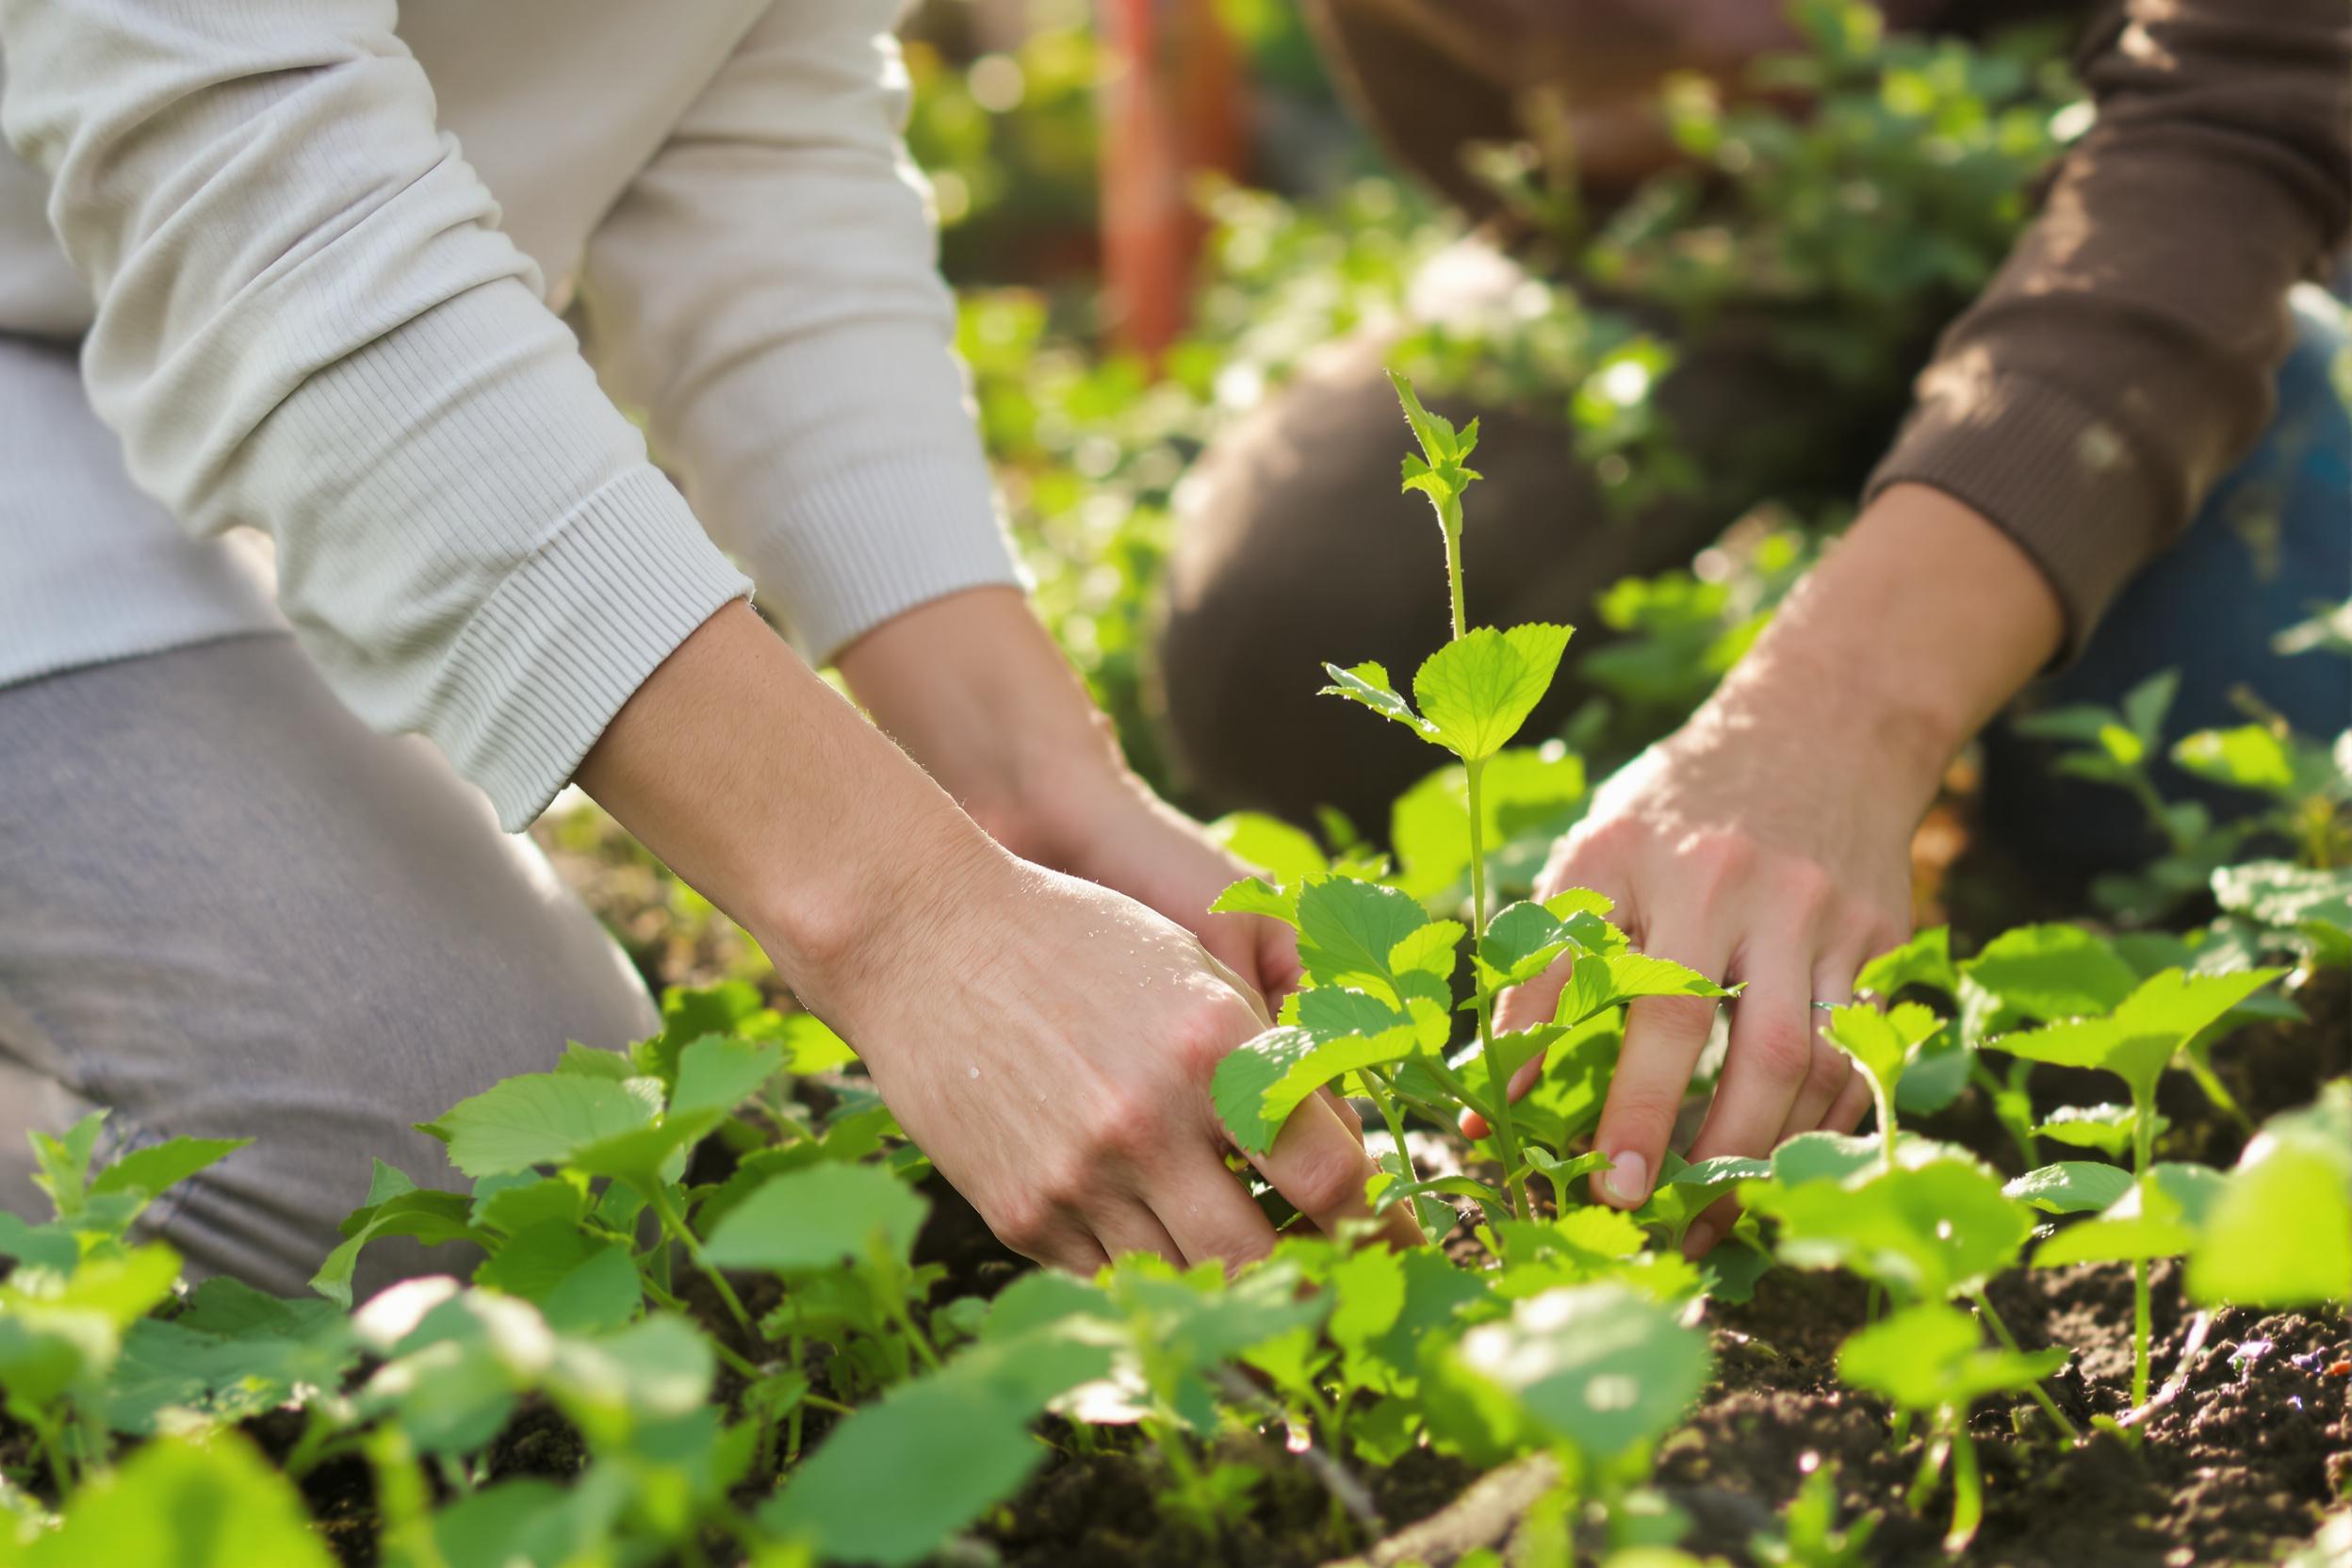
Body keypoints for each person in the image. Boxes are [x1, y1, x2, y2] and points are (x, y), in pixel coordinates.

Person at [0, 0, 1420, 1302]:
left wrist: (1017, 774)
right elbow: (259, 199)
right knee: (396, 1174)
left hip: (136, 317)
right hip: (82, 314)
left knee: (502, 1156)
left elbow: (739, 91)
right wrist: (908, 919)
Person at [1158, 0, 2350, 1252]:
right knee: (1285, 633)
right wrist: (1624, 91)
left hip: (2166, 202)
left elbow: (2253, 85)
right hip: (1713, 220)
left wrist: (1846, 717)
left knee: (2254, 747)